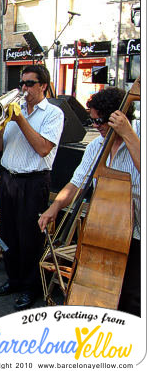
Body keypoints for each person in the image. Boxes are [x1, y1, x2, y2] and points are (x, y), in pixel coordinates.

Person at [38, 87, 140, 316]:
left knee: (134, 297)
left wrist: (128, 134)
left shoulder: (140, 135)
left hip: (139, 234)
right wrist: (54, 208)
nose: (96, 126)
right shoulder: (96, 146)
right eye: (92, 121)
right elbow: (76, 183)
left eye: (99, 121)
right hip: (107, 232)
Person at [0, 65, 64, 311]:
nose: (24, 88)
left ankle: (31, 288)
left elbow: (43, 148)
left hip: (34, 181)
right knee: (9, 234)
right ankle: (14, 280)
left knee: (30, 237)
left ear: (43, 85)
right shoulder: (13, 112)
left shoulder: (53, 113)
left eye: (30, 83)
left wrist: (19, 118)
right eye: (23, 83)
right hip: (9, 178)